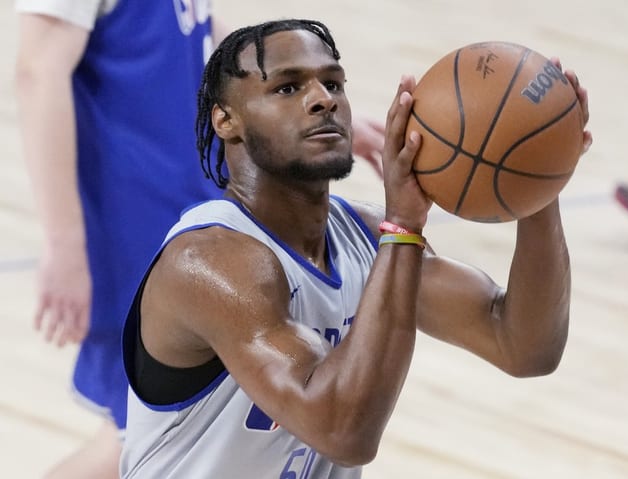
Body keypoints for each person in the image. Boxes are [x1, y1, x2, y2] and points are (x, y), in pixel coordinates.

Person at [119, 18, 591, 478]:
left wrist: (538, 178)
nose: (323, 100)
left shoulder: (362, 236)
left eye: (334, 83)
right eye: (288, 87)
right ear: (226, 120)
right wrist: (404, 226)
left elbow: (523, 345)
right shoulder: (210, 262)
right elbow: (343, 431)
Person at [13, 3, 386, 479]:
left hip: (187, 200)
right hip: (132, 224)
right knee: (151, 437)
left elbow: (199, 32)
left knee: (151, 434)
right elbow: (38, 70)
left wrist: (303, 115)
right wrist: (64, 244)